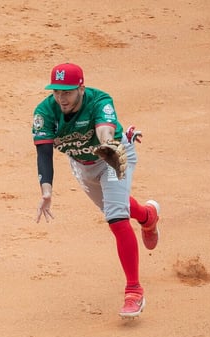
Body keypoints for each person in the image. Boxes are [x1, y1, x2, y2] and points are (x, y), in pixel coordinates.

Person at [32, 62, 161, 318]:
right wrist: (46, 191)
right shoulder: (44, 112)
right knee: (116, 208)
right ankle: (148, 216)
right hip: (83, 165)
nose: (61, 98)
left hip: (112, 156)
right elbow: (44, 153)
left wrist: (106, 146)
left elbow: (105, 129)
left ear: (81, 88)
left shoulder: (99, 100)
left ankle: (134, 291)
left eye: (67, 92)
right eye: (56, 91)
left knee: (116, 218)